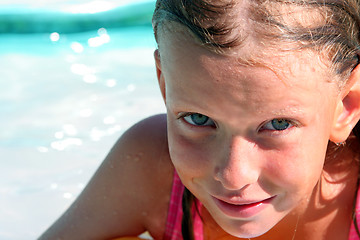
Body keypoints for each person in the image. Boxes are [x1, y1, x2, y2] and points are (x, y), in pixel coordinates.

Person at [38, 0, 360, 239]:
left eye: (277, 125)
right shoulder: (151, 171)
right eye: (197, 118)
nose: (234, 176)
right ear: (164, 83)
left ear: (346, 104)